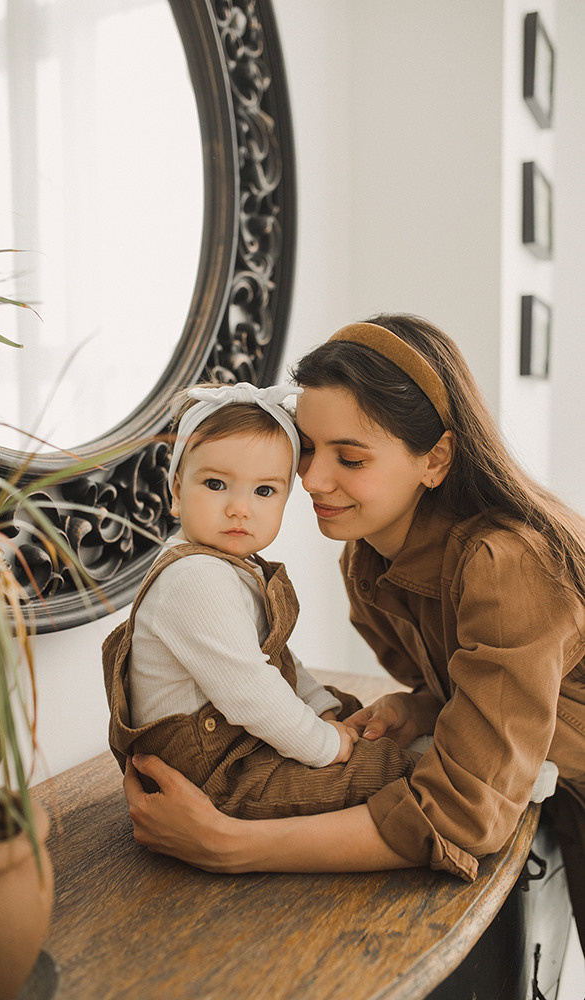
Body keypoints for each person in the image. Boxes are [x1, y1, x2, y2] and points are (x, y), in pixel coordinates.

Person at [120, 315, 585, 954]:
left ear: (436, 460)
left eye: (351, 456)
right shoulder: (367, 559)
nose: (309, 479)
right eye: (307, 448)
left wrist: (233, 846)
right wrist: (423, 705)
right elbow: (511, 693)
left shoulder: (506, 565)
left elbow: (464, 814)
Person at [103, 380, 418, 820]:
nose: (239, 508)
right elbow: (249, 689)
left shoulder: (233, 566)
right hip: (213, 777)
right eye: (215, 484)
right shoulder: (193, 578)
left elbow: (276, 659)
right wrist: (324, 745)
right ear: (176, 490)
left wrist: (323, 709)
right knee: (368, 774)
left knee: (349, 711)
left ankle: (422, 749)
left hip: (242, 738)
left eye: (264, 491)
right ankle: (444, 775)